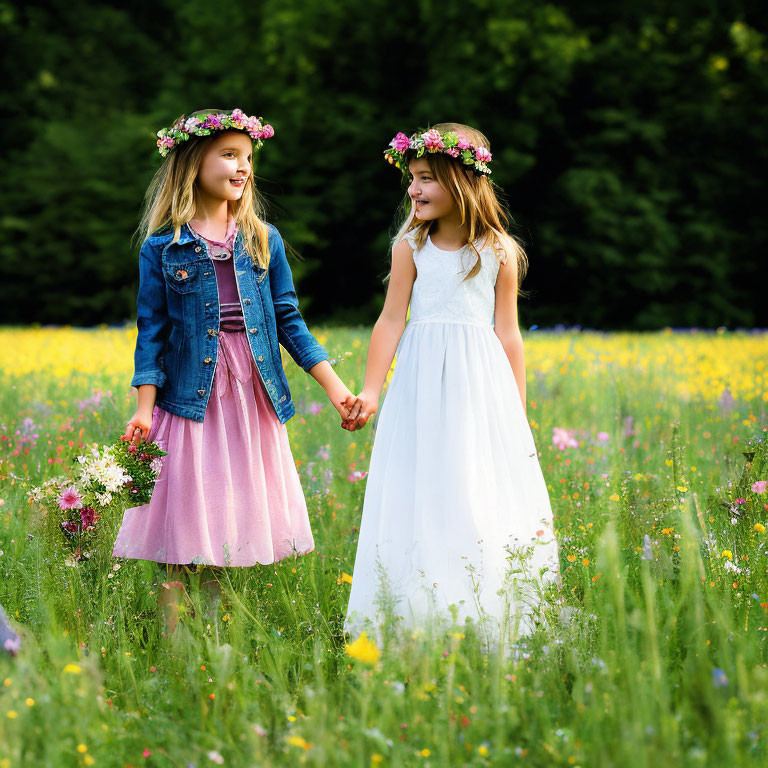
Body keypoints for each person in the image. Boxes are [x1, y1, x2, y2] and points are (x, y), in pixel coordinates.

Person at [112, 108, 358, 633]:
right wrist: (142, 409)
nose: (242, 167)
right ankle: (177, 642)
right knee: (184, 520)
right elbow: (151, 331)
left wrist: (336, 390)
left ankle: (213, 638)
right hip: (189, 396)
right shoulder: (162, 247)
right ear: (192, 163)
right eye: (229, 154)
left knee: (225, 516)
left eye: (247, 158)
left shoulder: (261, 239)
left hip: (249, 392)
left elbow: (289, 321)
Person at [344, 123, 560, 641]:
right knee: (421, 487)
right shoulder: (410, 247)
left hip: (479, 389)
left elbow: (508, 334)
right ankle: (413, 613)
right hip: (420, 386)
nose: (413, 190)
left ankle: (483, 612)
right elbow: (391, 319)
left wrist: (517, 412)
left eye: (425, 178)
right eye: (412, 179)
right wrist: (371, 389)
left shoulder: (499, 251)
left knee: (473, 487)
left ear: (462, 180)